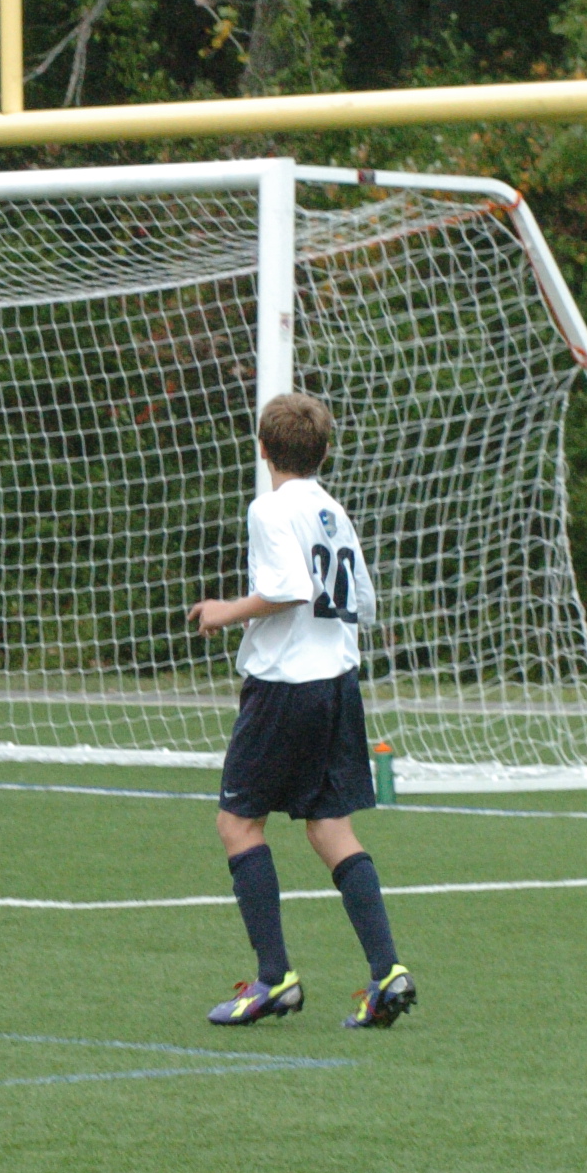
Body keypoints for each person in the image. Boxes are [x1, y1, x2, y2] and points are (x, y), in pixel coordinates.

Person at [187, 392, 413, 1031]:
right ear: (324, 451)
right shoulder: (332, 511)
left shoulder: (270, 508)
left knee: (239, 824)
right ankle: (387, 972)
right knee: (330, 827)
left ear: (263, 449)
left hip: (286, 686)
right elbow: (362, 601)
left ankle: (274, 979)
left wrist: (225, 611)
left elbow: (288, 588)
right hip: (337, 683)